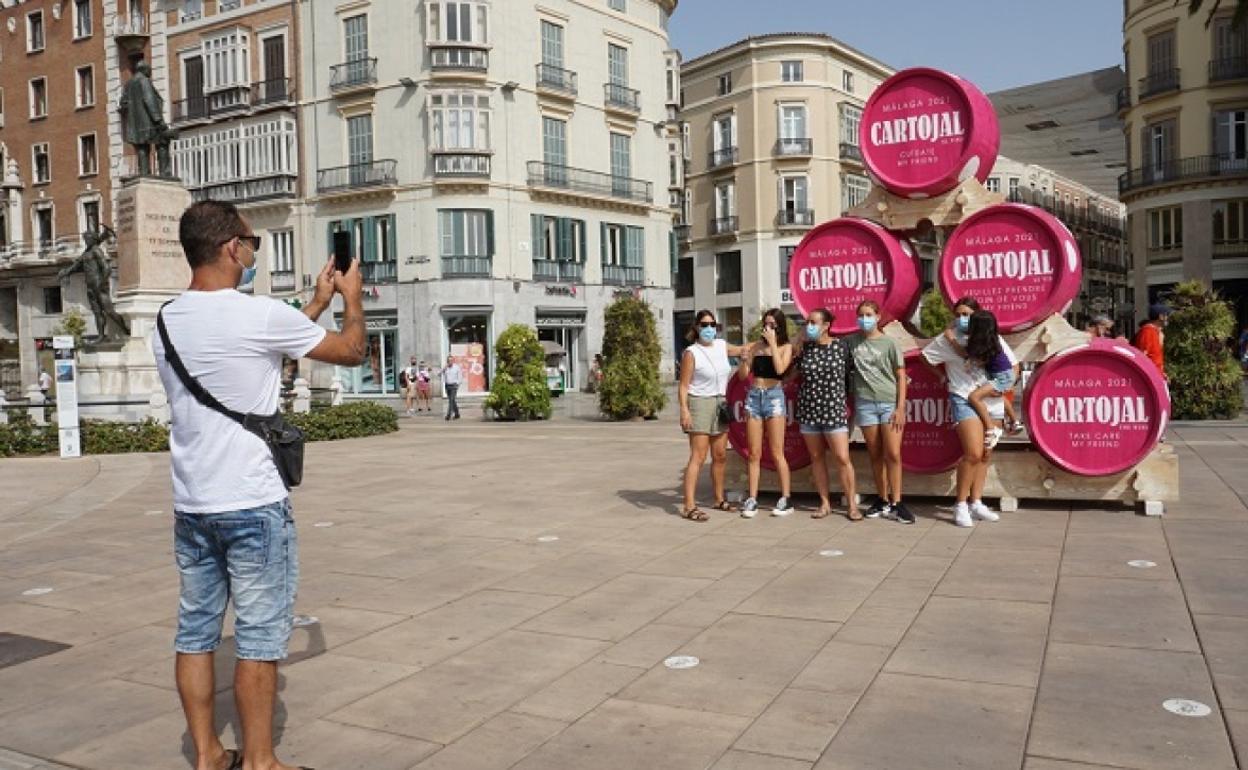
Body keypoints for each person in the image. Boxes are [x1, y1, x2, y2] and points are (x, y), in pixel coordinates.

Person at [153, 199, 366, 770]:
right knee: (260, 637)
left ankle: (206, 754)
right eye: (253, 242)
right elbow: (351, 351)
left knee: (196, 632)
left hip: (192, 504)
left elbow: (256, 347)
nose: (252, 252)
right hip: (251, 503)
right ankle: (261, 761)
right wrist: (350, 298)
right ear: (231, 248)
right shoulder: (259, 314)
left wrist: (315, 302)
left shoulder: (166, 320)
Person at [922, 296, 1018, 528]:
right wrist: (941, 376)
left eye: (966, 314)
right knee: (973, 452)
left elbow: (1013, 366)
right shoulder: (947, 340)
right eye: (957, 314)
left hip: (992, 400)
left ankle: (976, 502)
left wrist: (1004, 386)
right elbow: (926, 357)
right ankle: (961, 505)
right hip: (963, 398)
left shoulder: (989, 336)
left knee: (985, 454)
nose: (961, 319)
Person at [847, 301, 913, 524]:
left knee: (893, 453)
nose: (864, 319)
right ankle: (882, 498)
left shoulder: (889, 343)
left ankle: (898, 501)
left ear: (877, 316)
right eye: (860, 315)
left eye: (868, 314)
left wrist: (900, 407)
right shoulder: (851, 342)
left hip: (888, 403)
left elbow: (901, 376)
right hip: (865, 403)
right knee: (875, 454)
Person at [678, 310, 747, 521]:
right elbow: (683, 385)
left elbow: (744, 349)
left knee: (720, 456)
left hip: (720, 403)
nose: (709, 329)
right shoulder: (692, 352)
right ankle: (689, 505)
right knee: (698, 456)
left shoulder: (721, 346)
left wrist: (771, 338)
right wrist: (684, 409)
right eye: (704, 324)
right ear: (697, 327)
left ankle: (718, 498)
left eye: (713, 325)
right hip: (699, 402)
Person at [795, 308, 858, 521]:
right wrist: (796, 341)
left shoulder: (842, 346)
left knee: (842, 457)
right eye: (807, 322)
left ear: (826, 325)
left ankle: (851, 504)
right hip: (809, 410)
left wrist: (848, 402)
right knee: (816, 457)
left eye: (813, 322)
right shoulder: (805, 348)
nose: (809, 326)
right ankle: (824, 502)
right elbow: (791, 372)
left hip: (833, 410)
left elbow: (852, 374)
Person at [737, 308, 796, 517]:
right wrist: (744, 359)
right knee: (754, 452)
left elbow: (780, 370)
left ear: (779, 327)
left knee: (777, 451)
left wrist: (771, 344)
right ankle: (752, 498)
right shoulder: (755, 346)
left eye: (772, 325)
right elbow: (744, 375)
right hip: (754, 396)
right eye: (766, 324)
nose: (768, 328)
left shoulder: (785, 347)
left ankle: (786, 498)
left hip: (774, 397)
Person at [958, 311, 1016, 449]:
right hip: (1006, 376)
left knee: (974, 397)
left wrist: (952, 339)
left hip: (1002, 378)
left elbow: (968, 355)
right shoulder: (992, 340)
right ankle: (1014, 420)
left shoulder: (982, 345)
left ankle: (991, 429)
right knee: (999, 397)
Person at [1132, 303, 1169, 377]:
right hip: (1150, 375)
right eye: (1166, 315)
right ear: (1161, 316)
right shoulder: (1148, 331)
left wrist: (1161, 373)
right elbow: (1142, 355)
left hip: (1156, 374)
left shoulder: (1155, 331)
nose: (1167, 317)